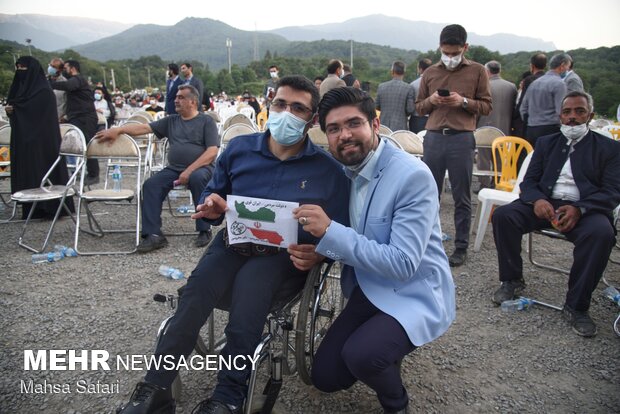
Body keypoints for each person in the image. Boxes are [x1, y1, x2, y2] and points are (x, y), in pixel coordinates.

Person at [116, 75, 349, 414]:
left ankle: (228, 396)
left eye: (298, 108)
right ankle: (155, 388)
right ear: (270, 104)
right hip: (232, 244)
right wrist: (210, 205)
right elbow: (215, 198)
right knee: (193, 298)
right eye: (281, 104)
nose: (287, 112)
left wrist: (320, 252)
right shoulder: (239, 150)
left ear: (311, 119)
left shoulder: (328, 170)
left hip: (282, 257)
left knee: (248, 304)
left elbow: (342, 230)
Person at [296, 87, 455, 414]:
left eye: (353, 123)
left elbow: (402, 263)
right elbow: (354, 232)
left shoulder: (411, 176)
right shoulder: (344, 170)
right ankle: (382, 348)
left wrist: (328, 231)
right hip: (368, 288)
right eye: (334, 129)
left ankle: (396, 403)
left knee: (363, 355)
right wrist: (322, 250)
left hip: (412, 291)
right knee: (325, 377)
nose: (345, 135)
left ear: (375, 123)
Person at [491, 91, 620, 337]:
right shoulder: (546, 143)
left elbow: (613, 192)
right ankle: (512, 280)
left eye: (579, 111)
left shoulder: (610, 148)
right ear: (560, 115)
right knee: (504, 216)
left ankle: (577, 305)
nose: (572, 117)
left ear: (590, 115)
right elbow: (529, 182)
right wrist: (537, 199)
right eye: (567, 112)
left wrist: (580, 209)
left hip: (586, 208)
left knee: (601, 234)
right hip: (545, 204)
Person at [95, 85, 218, 251]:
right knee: (150, 185)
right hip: (174, 169)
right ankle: (153, 235)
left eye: (181, 97)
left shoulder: (206, 121)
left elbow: (212, 152)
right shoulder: (171, 121)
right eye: (176, 97)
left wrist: (189, 171)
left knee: (197, 178)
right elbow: (144, 128)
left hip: (201, 168)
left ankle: (204, 229)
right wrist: (119, 129)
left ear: (193, 102)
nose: (176, 100)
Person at [416, 24, 492, 267]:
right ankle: (426, 240)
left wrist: (464, 101)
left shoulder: (478, 71)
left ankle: (461, 247)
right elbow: (418, 107)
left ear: (465, 48)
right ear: (440, 47)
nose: (449, 58)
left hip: (461, 138)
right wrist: (431, 100)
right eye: (446, 53)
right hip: (434, 137)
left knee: (462, 195)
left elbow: (487, 106)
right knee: (429, 193)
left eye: (454, 53)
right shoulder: (429, 73)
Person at [5, 56, 73, 219]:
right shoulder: (21, 89)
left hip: (43, 141)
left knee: (43, 170)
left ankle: (49, 207)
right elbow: (18, 106)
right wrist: (12, 111)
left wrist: (17, 110)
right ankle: (31, 207)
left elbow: (35, 114)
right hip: (24, 139)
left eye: (23, 68)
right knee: (29, 172)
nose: (20, 72)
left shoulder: (43, 91)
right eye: (18, 68)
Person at [50, 59, 100, 185]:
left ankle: (94, 174)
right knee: (77, 145)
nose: (63, 70)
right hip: (76, 117)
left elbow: (68, 86)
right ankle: (77, 171)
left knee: (88, 145)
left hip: (85, 118)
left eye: (65, 68)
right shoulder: (74, 80)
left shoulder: (78, 79)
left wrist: (50, 84)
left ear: (72, 68)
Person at [476, 60, 517, 189]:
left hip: (485, 127)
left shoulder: (484, 86)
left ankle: (484, 184)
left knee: (483, 159)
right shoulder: (511, 87)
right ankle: (498, 182)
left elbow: (478, 109)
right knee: (500, 158)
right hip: (505, 127)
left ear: (487, 71)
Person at [520, 53, 571, 148]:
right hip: (550, 129)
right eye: (568, 66)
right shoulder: (559, 84)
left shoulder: (534, 83)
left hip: (531, 129)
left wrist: (531, 121)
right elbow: (561, 110)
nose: (568, 69)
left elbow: (523, 108)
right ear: (562, 66)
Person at [513, 53, 547, 138]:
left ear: (532, 66)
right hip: (546, 122)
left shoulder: (530, 80)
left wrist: (515, 116)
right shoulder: (549, 79)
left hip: (530, 121)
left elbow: (523, 102)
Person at [375, 60, 415, 132]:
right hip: (400, 127)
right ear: (404, 73)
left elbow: (376, 106)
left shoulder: (381, 86)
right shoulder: (409, 88)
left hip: (383, 127)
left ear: (392, 72)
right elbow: (410, 109)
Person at [408, 58, 432, 133]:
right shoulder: (435, 83)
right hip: (432, 118)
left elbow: (410, 106)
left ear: (420, 69)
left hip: (416, 118)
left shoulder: (413, 84)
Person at [47, 57, 66, 122]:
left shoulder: (65, 83)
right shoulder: (44, 80)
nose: (50, 68)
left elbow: (68, 103)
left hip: (58, 119)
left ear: (60, 70)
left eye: (53, 67)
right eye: (50, 65)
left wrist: (65, 117)